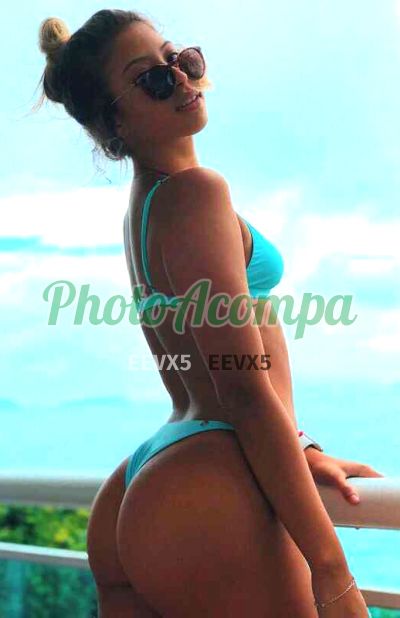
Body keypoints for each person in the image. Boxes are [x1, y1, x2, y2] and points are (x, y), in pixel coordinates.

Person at [37, 9, 375, 617]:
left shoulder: (148, 205)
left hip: (150, 481)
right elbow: (241, 387)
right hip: (209, 480)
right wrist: (333, 572)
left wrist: (301, 447)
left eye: (179, 59)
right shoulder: (196, 194)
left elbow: (205, 371)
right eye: (151, 78)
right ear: (115, 123)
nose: (180, 78)